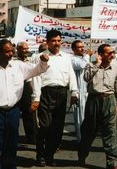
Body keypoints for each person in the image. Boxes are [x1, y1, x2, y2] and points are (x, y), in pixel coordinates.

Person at [0, 39, 49, 169]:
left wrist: (44, 61)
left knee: (11, 145)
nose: (10, 54)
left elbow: (38, 70)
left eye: (11, 51)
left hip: (13, 112)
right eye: (7, 52)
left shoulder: (19, 66)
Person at [31, 29, 79, 166]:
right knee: (45, 126)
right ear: (47, 42)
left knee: (57, 128)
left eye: (59, 41)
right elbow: (36, 78)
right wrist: (36, 98)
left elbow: (71, 75)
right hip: (46, 93)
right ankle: (40, 155)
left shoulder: (66, 57)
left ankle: (49, 155)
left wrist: (74, 92)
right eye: (53, 41)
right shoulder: (39, 57)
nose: (56, 43)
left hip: (62, 93)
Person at [78, 44, 117, 168]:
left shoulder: (116, 68)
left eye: (112, 52)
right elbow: (86, 78)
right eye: (108, 53)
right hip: (94, 100)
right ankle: (82, 154)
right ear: (100, 54)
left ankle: (112, 162)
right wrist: (97, 64)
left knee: (111, 131)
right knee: (89, 130)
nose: (111, 55)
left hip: (109, 100)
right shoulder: (91, 65)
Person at [14, 42, 36, 144]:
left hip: (27, 88)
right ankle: (13, 136)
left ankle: (31, 137)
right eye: (23, 49)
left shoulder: (31, 61)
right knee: (14, 114)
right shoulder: (13, 61)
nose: (25, 51)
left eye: (27, 49)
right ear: (18, 50)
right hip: (15, 88)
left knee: (28, 113)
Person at [71, 40, 90, 143]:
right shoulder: (73, 59)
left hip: (87, 90)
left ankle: (86, 138)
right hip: (78, 91)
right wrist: (87, 56)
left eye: (83, 47)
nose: (82, 49)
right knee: (80, 117)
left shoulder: (84, 58)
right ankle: (81, 139)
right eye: (79, 47)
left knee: (87, 116)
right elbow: (82, 65)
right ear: (74, 49)